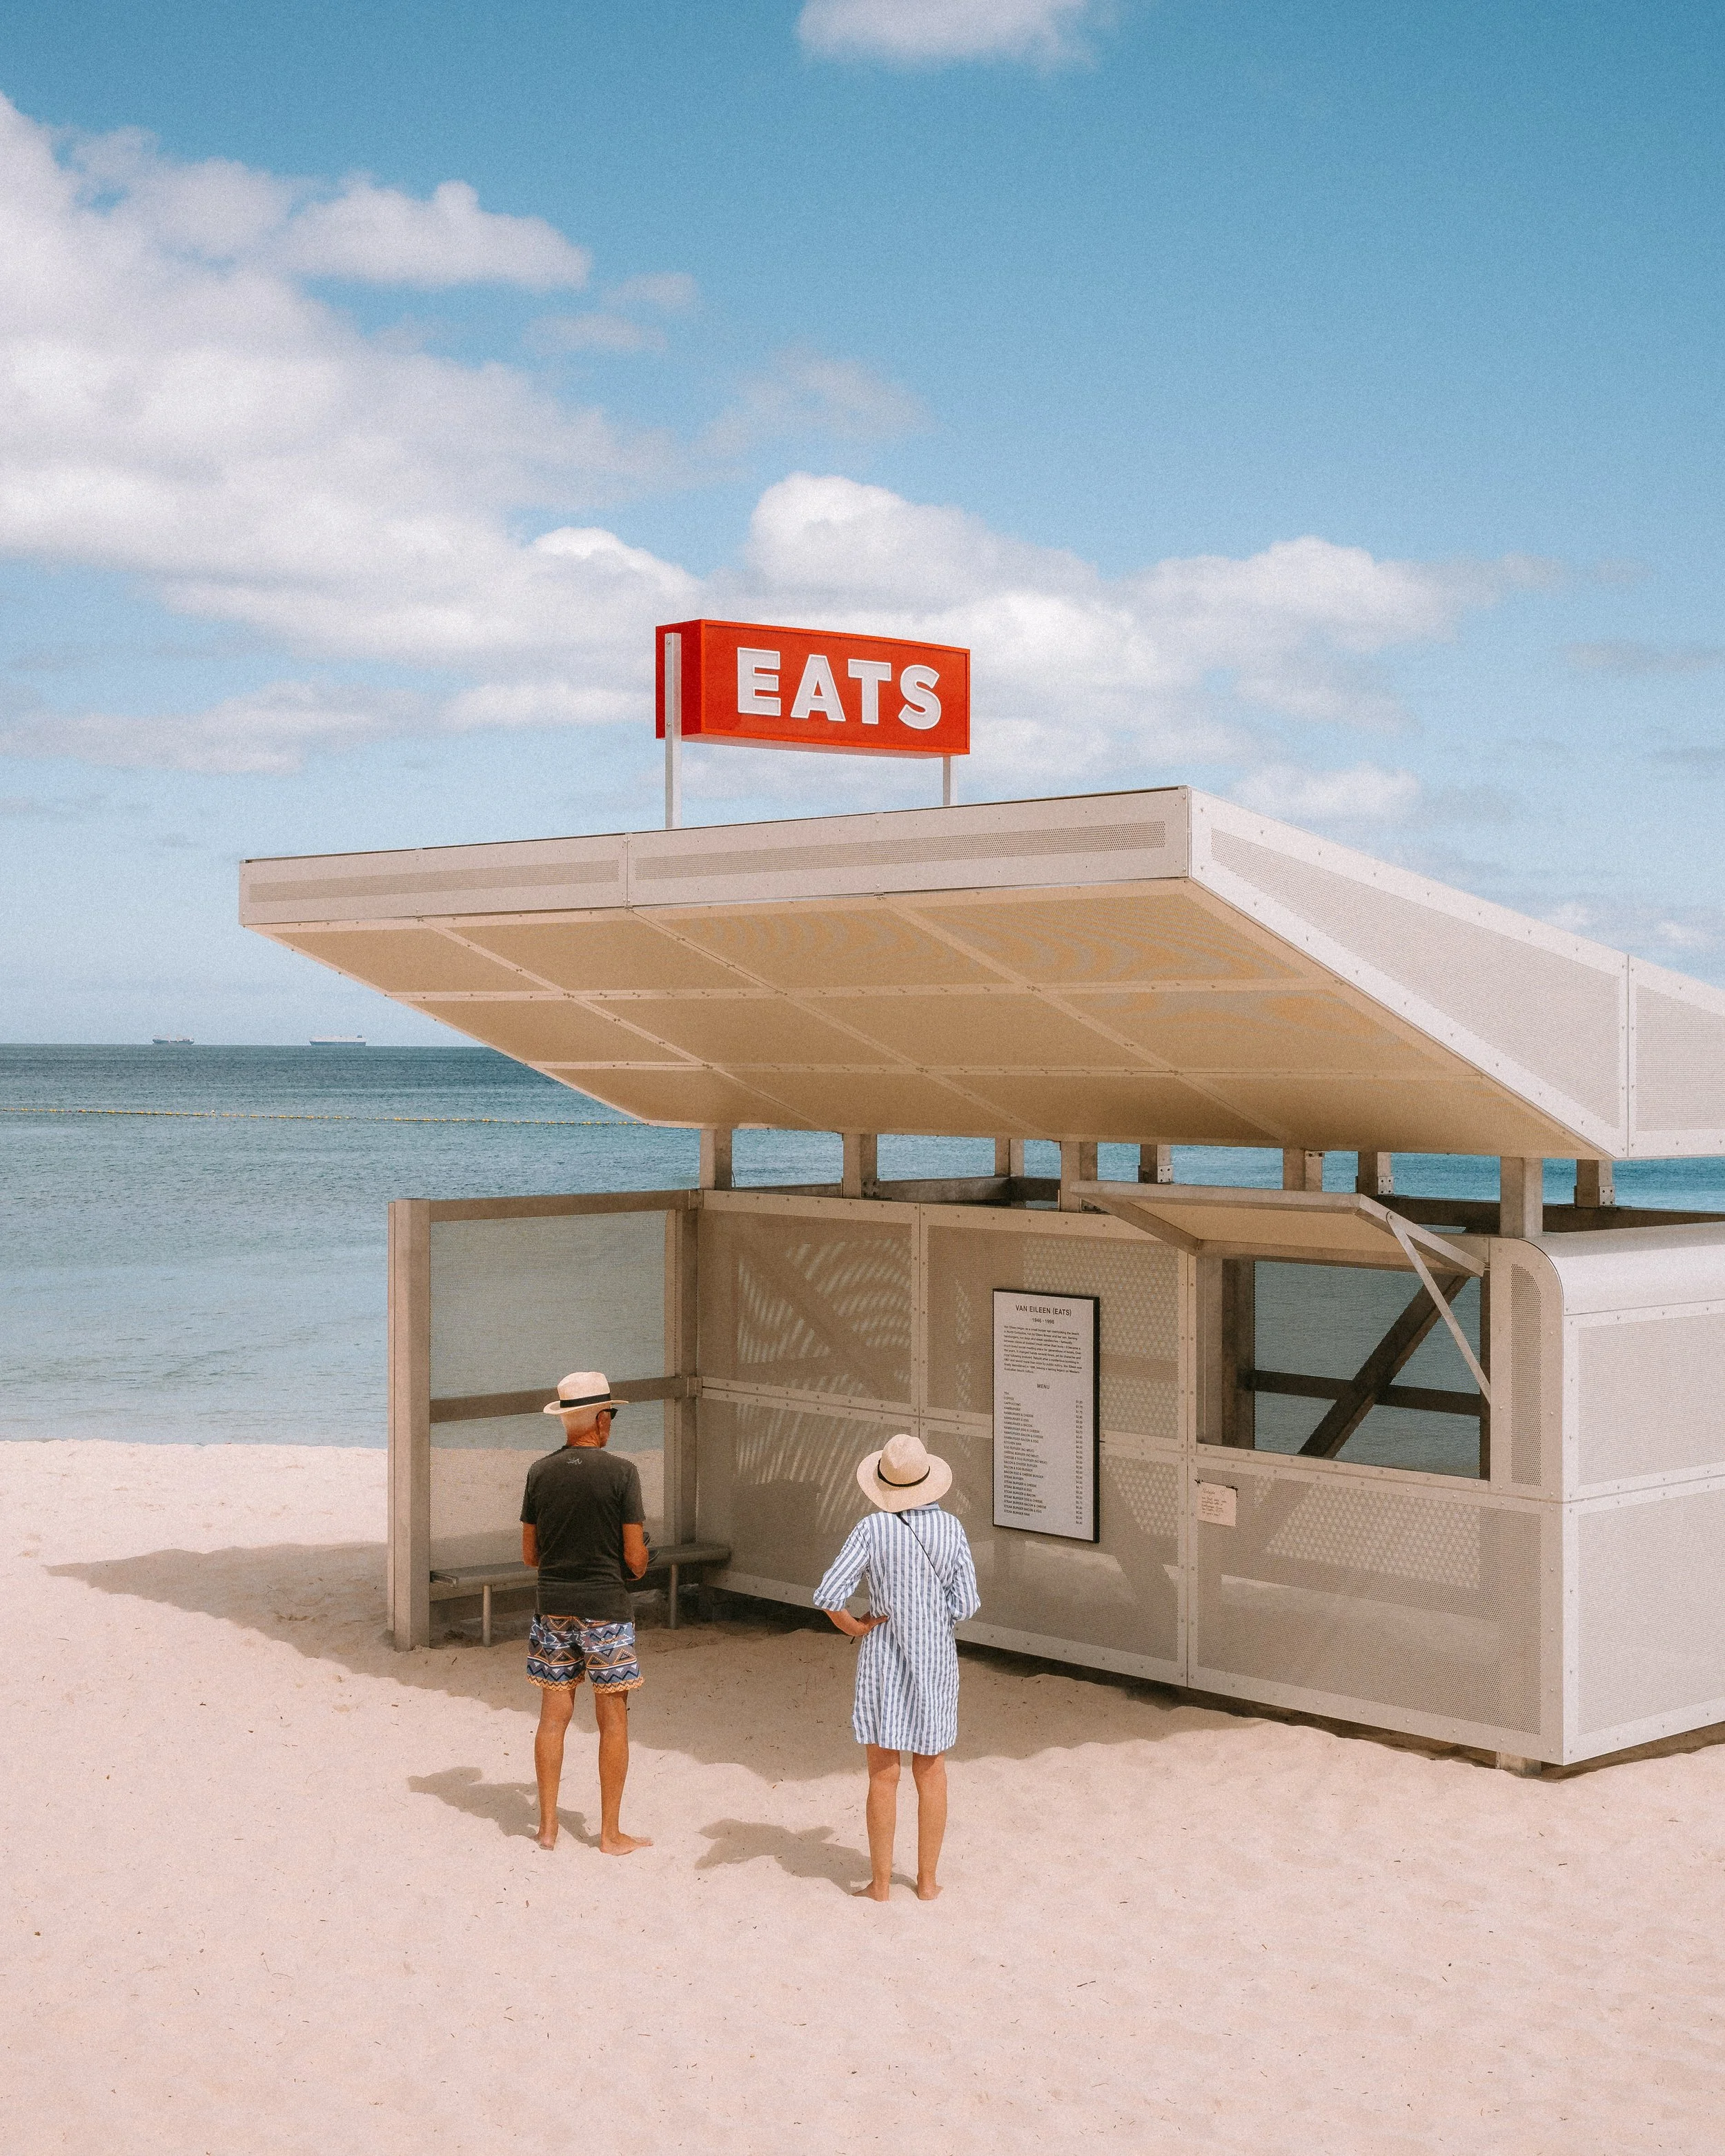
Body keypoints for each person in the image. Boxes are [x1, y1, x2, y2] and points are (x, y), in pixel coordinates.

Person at [813, 1432, 980, 1902]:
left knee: (883, 1775)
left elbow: (828, 1594)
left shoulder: (871, 1530)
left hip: (884, 1657)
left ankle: (881, 1883)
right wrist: (933, 1615)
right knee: (932, 1771)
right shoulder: (952, 1530)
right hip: (937, 1660)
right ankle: (926, 1882)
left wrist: (855, 1626)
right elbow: (965, 1603)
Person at [520, 1371, 651, 1855]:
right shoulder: (622, 1473)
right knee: (612, 1719)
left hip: (551, 1607)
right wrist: (635, 1561)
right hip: (606, 1609)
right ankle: (610, 1833)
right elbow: (635, 1559)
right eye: (611, 1414)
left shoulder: (539, 1472)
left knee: (553, 1716)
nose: (611, 1422)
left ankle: (548, 1826)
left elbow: (530, 1554)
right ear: (600, 1418)